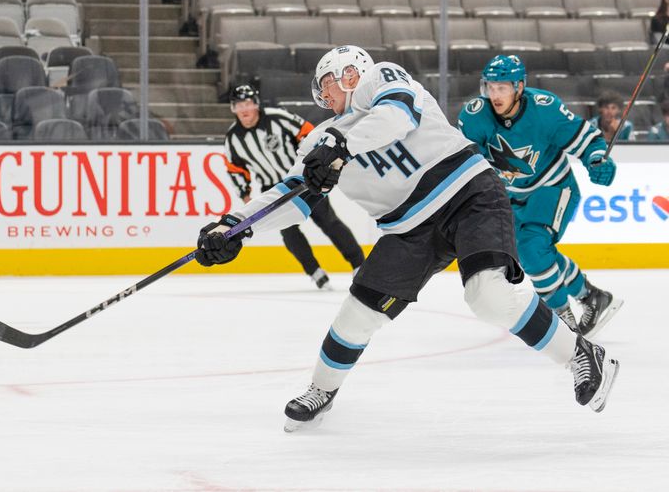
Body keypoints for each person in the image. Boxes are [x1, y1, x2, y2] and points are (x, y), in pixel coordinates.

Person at [196, 46, 620, 432]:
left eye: (334, 80)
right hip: (408, 229)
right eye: (323, 88)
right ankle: (322, 390)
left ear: (353, 71)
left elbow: (395, 118)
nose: (329, 93)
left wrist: (341, 146)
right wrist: (233, 226)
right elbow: (293, 195)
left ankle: (582, 355)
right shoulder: (321, 141)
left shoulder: (384, 78)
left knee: (488, 296)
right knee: (356, 313)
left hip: (467, 192)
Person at [458, 55, 623, 337]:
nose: (495, 95)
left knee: (532, 248)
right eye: (491, 87)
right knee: (532, 252)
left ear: (519, 87)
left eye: (503, 88)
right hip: (512, 196)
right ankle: (591, 296)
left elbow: (588, 140)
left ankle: (564, 322)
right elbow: (466, 159)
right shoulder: (475, 116)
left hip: (554, 187)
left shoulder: (545, 110)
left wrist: (597, 160)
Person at [223, 84, 365, 289]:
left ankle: (359, 264)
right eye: (238, 105)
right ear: (233, 108)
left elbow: (308, 132)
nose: (244, 110)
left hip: (302, 180)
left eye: (247, 104)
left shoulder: (278, 117)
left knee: (328, 221)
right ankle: (315, 272)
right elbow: (234, 168)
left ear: (256, 104)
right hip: (272, 190)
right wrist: (245, 194)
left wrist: (314, 162)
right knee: (289, 233)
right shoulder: (233, 138)